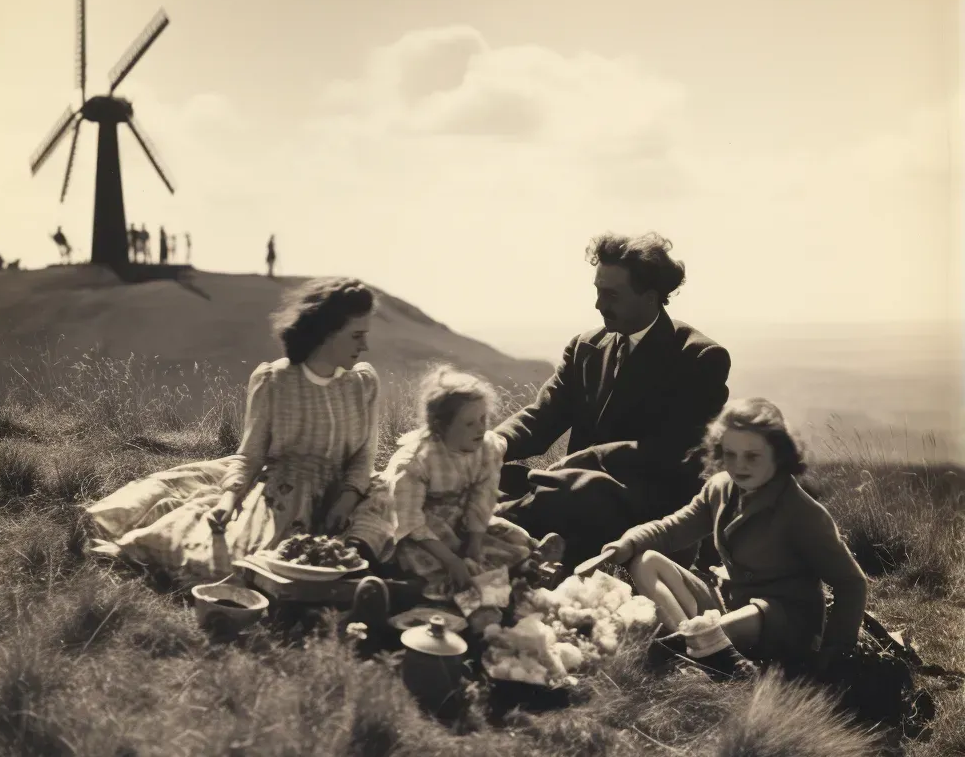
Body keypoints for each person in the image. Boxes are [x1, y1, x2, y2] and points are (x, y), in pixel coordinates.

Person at [85, 277, 385, 588]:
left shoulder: (362, 384)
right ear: (328, 333)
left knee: (385, 506)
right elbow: (251, 455)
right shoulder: (275, 381)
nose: (365, 346)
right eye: (357, 336)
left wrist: (346, 500)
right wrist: (229, 500)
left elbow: (365, 456)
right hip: (284, 493)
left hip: (347, 491)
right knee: (228, 555)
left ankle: (356, 571)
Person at [494, 232, 731, 573]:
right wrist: (494, 443)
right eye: (597, 291)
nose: (598, 305)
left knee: (573, 493)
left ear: (650, 298)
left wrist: (582, 463)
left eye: (611, 294)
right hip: (572, 489)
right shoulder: (585, 347)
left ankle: (498, 546)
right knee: (494, 478)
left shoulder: (698, 357)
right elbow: (545, 414)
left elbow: (674, 450)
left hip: (647, 502)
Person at [601, 398, 868, 677]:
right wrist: (627, 543)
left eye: (752, 456)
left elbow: (851, 582)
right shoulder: (718, 489)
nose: (740, 466)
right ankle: (697, 647)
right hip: (729, 607)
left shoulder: (802, 512)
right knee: (645, 560)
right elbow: (673, 529)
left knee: (746, 618)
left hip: (784, 622)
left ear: (778, 454)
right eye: (730, 454)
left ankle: (692, 649)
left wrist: (835, 651)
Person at [355, 365, 564, 629]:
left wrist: (474, 543)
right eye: (469, 423)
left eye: (483, 419)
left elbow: (482, 497)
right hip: (421, 529)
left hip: (460, 516)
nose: (480, 428)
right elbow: (409, 521)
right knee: (442, 568)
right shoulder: (415, 460)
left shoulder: (486, 448)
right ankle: (473, 605)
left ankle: (526, 569)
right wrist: (453, 559)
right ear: (440, 426)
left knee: (509, 539)